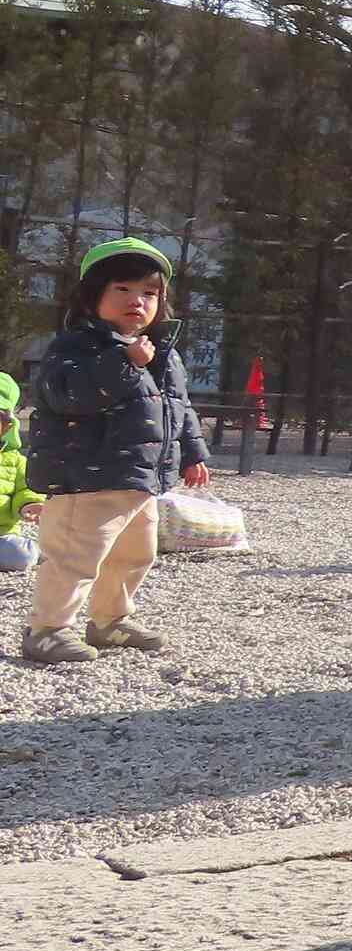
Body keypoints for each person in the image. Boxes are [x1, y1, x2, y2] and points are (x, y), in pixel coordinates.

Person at [19, 240, 212, 663]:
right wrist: (125, 363)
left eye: (149, 293)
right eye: (122, 290)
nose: (137, 301)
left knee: (133, 555)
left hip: (139, 479)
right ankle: (47, 628)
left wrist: (193, 451)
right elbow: (65, 394)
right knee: (75, 556)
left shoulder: (163, 352)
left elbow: (179, 406)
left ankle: (109, 620)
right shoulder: (76, 347)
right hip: (84, 479)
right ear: (93, 298)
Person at [0, 374, 41, 574]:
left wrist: (28, 504)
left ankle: (42, 551)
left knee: (21, 555)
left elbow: (25, 488)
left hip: (2, 533)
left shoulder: (15, 460)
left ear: (7, 426)